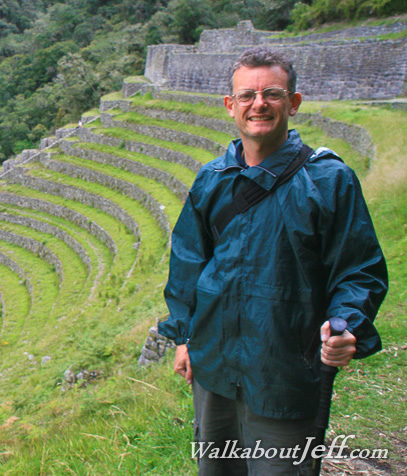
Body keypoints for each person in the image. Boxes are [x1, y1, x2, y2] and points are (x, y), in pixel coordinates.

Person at [158, 46, 388, 475]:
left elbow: (358, 270)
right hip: (214, 369)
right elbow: (189, 263)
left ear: (293, 103)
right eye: (246, 95)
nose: (258, 104)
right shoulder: (212, 180)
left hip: (285, 373)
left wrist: (348, 325)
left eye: (272, 94)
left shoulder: (329, 181)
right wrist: (184, 337)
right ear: (230, 106)